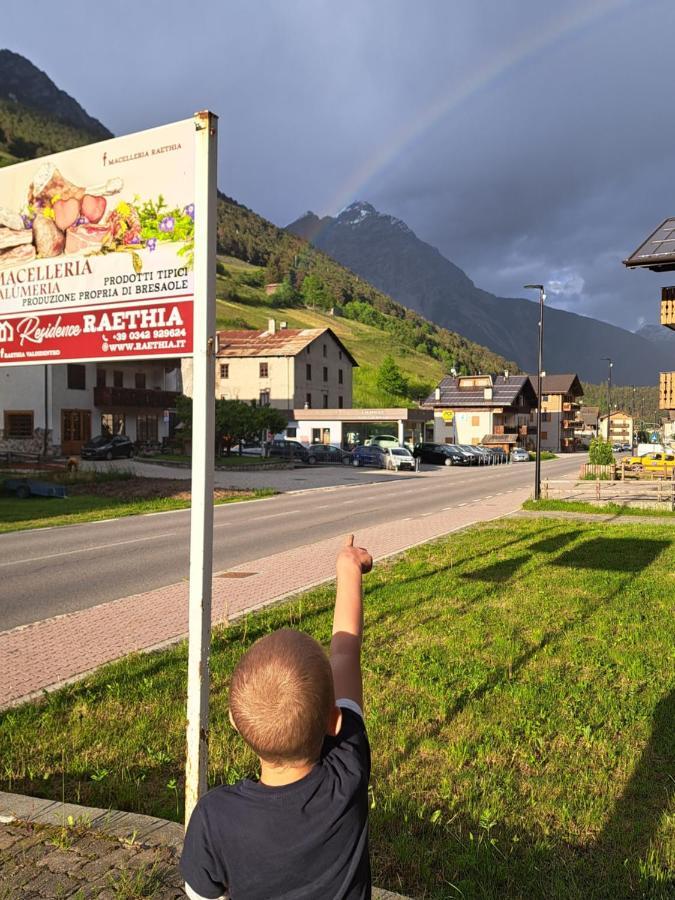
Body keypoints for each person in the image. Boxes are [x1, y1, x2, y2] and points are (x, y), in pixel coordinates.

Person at [180, 534, 374, 900]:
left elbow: (200, 892)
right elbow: (346, 652)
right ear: (335, 723)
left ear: (235, 724)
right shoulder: (348, 773)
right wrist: (348, 568)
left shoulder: (214, 816)